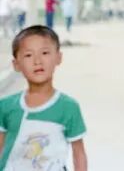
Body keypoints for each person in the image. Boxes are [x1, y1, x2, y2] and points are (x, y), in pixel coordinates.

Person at [0, 25, 88, 171]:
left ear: (58, 57)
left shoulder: (68, 107)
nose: (37, 61)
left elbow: (78, 153)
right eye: (28, 55)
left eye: (45, 53)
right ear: (16, 64)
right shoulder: (5, 106)